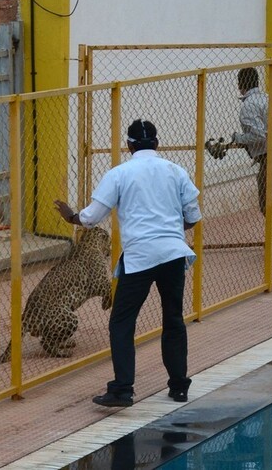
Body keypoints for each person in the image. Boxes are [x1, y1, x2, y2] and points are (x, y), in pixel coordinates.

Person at [54, 119, 202, 408]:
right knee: (173, 318)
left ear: (129, 146)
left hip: (140, 258)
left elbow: (90, 218)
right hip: (173, 253)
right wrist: (168, 230)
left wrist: (70, 216)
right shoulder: (176, 171)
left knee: (122, 322)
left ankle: (123, 389)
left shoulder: (119, 174)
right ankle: (179, 387)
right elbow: (193, 215)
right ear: (157, 144)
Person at [206, 66, 272, 261]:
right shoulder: (264, 98)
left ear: (241, 85)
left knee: (266, 203)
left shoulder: (247, 106)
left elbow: (259, 135)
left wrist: (238, 137)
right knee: (270, 199)